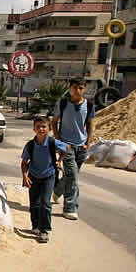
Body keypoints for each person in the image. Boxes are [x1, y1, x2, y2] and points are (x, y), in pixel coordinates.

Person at [51, 77, 95, 220]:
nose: (77, 91)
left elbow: (90, 124)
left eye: (81, 88)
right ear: (70, 88)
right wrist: (59, 141)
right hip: (66, 145)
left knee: (71, 175)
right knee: (73, 177)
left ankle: (57, 190)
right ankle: (70, 207)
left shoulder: (89, 105)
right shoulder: (62, 103)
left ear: (84, 89)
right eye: (75, 87)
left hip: (81, 146)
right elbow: (54, 122)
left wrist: (88, 142)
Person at [21, 116, 68, 243]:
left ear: (50, 128)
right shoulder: (30, 145)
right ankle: (35, 226)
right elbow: (24, 162)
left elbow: (67, 148)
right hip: (34, 177)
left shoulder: (53, 142)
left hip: (49, 176)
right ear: (34, 129)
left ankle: (44, 230)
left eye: (44, 126)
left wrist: (59, 161)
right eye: (38, 127)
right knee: (34, 203)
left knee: (45, 203)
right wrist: (25, 176)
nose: (41, 129)